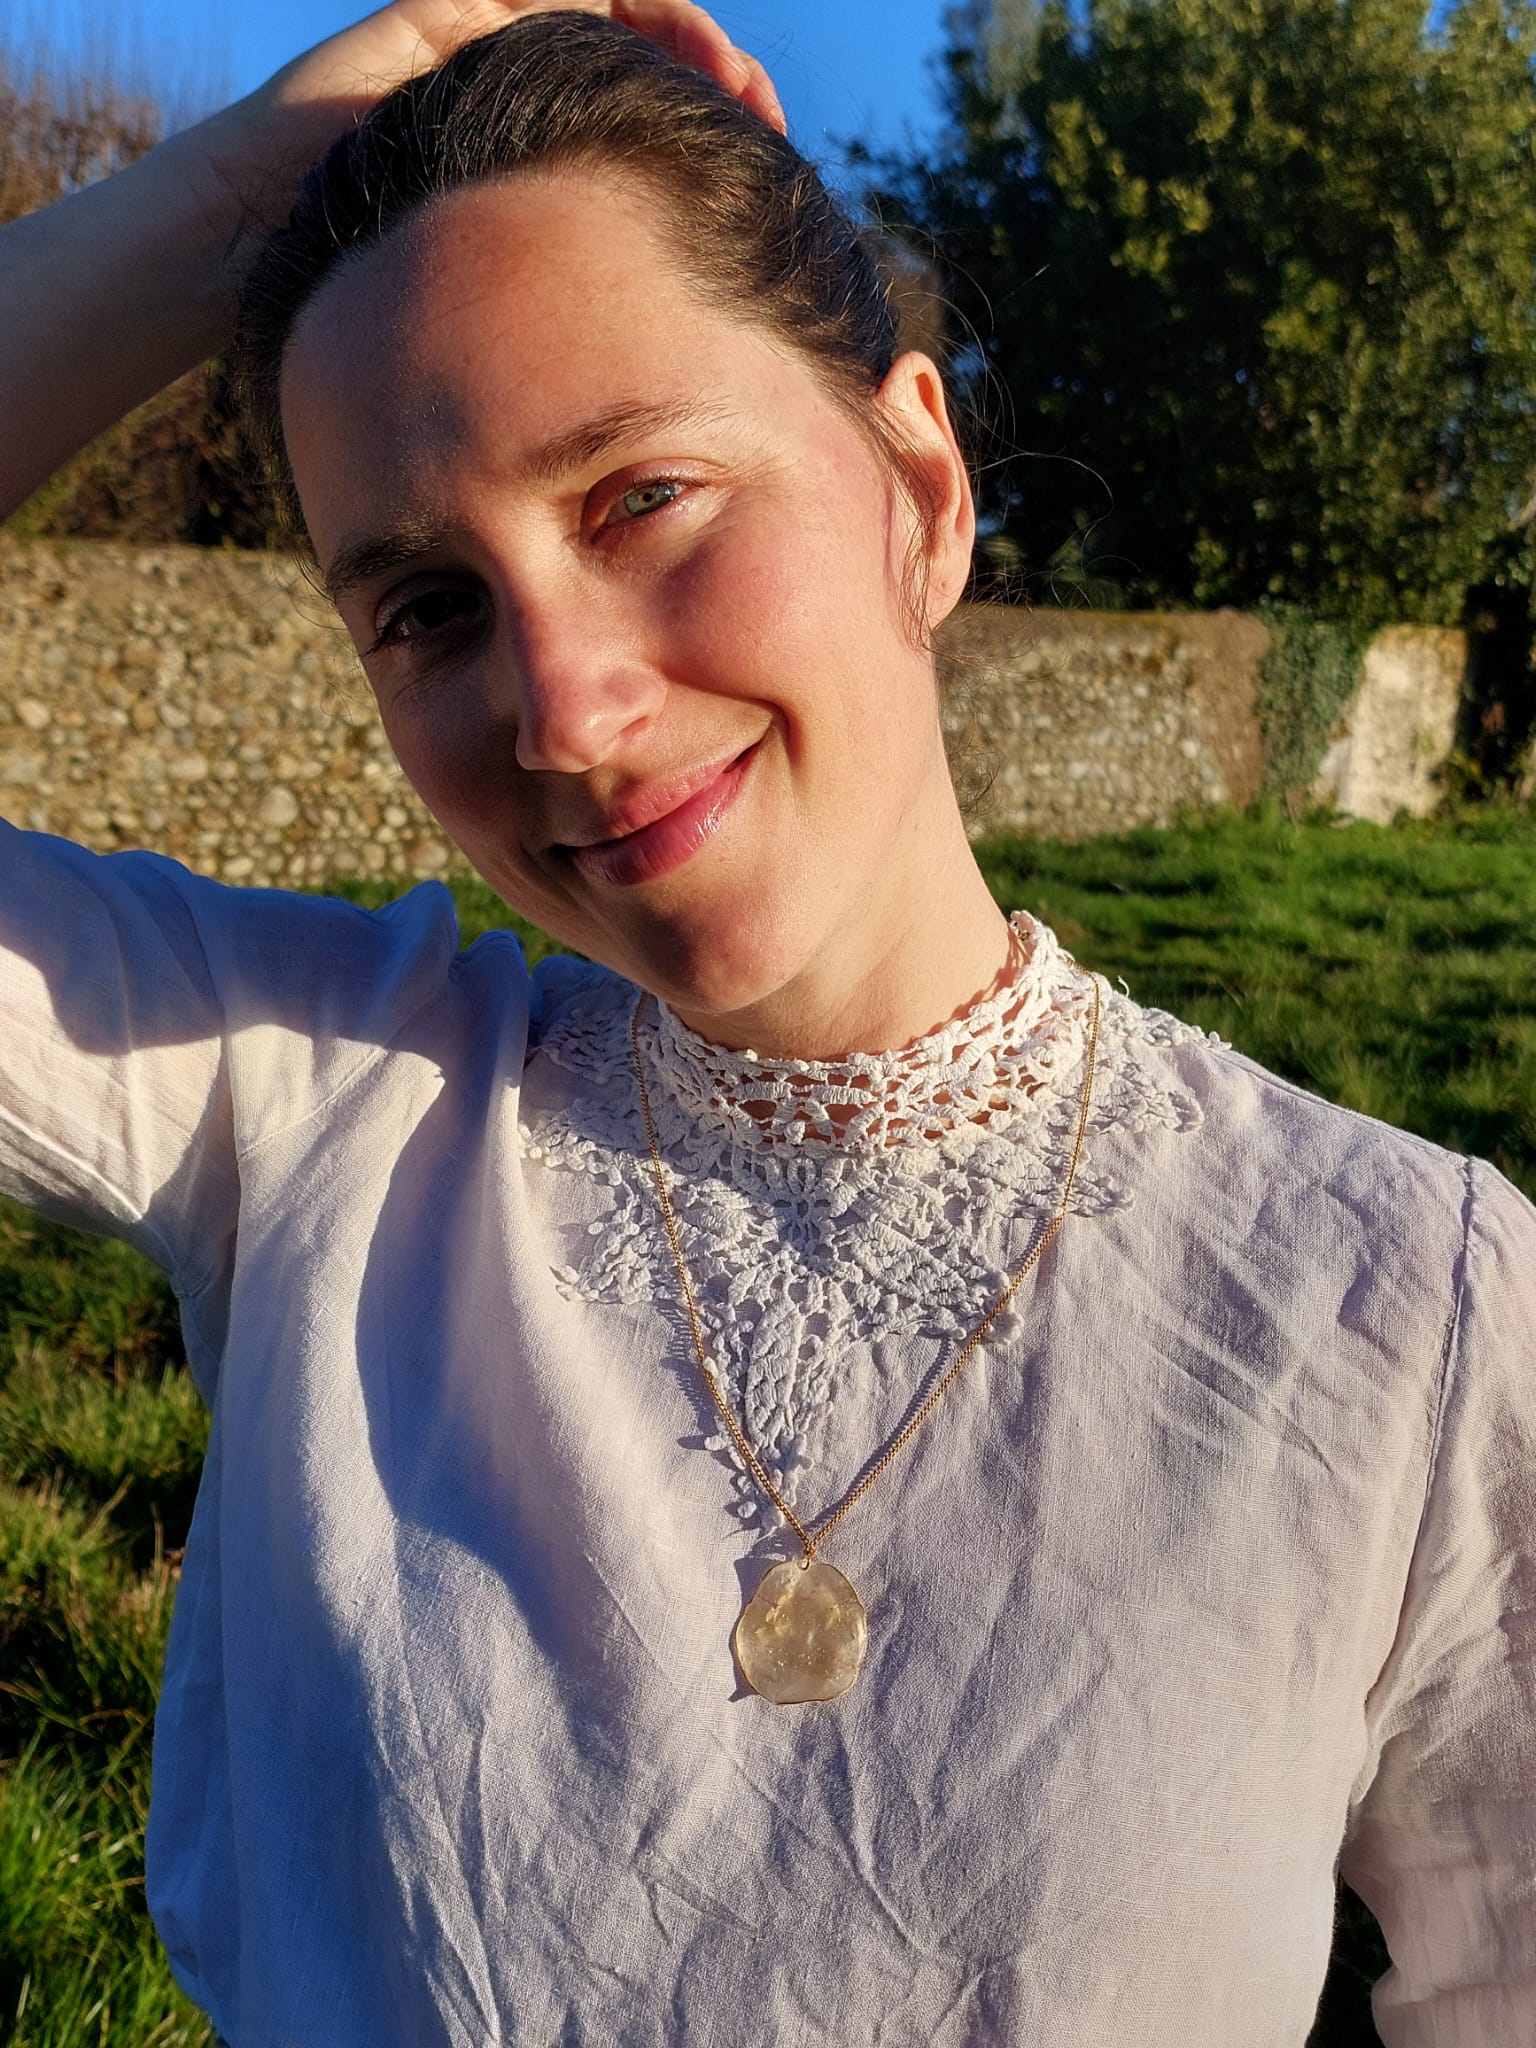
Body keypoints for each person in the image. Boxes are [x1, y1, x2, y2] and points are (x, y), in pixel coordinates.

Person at [2, 4, 1534, 2042]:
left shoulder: (1410, 1307)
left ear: (920, 484)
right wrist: (224, 201)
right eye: (430, 608)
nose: (565, 710)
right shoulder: (305, 1110)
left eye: (642, 494)